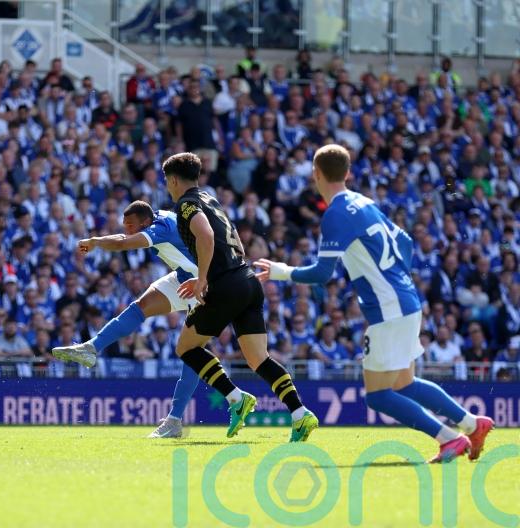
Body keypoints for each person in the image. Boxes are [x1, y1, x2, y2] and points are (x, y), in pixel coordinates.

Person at [255, 144, 494, 463]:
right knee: (404, 384)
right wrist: (394, 277)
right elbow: (406, 242)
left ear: (316, 174)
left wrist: (281, 272)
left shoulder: (336, 214)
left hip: (388, 309)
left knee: (379, 395)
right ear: (348, 172)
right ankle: (472, 423)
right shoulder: (364, 202)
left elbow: (322, 273)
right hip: (406, 300)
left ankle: (449, 439)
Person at [163, 152, 317, 440]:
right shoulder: (210, 199)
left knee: (186, 347)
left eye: (166, 182)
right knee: (259, 358)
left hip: (224, 285)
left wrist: (204, 278)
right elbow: (229, 240)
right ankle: (299, 413)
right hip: (245, 279)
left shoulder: (186, 205)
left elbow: (206, 237)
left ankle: (235, 398)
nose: (167, 187)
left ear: (173, 180)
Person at [52, 200, 202, 438]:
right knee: (140, 306)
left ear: (145, 222)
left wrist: (96, 242)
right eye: (126, 225)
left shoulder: (158, 228)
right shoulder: (160, 216)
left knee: (192, 353)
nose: (128, 229)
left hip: (204, 288)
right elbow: (126, 236)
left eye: (131, 225)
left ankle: (178, 418)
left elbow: (123, 243)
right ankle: (91, 348)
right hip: (184, 278)